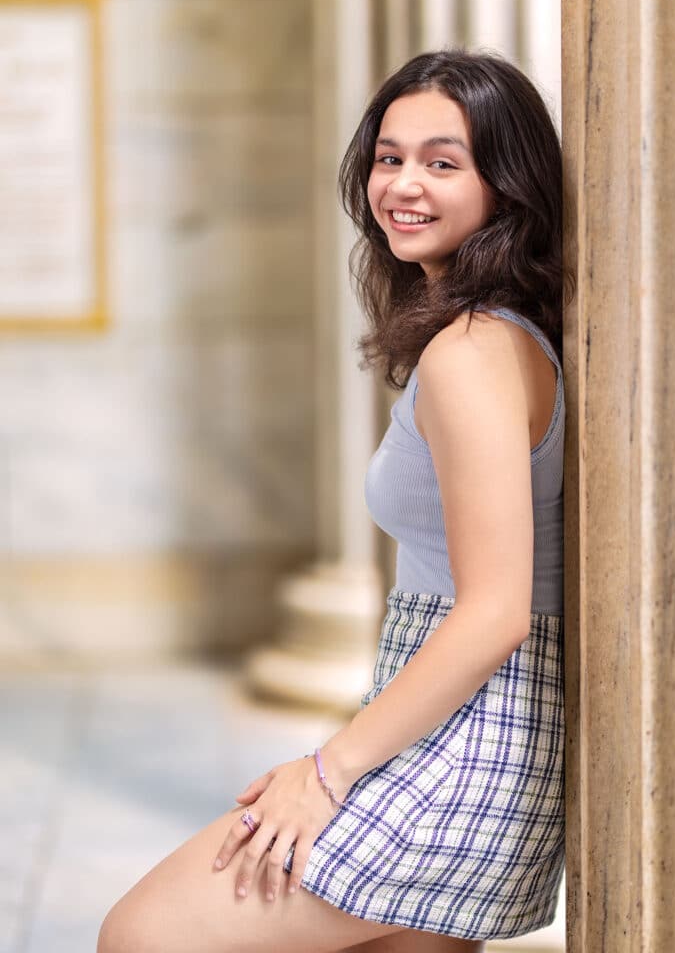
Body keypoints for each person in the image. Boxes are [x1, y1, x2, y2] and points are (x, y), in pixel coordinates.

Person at [98, 47, 573, 953]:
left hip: (473, 745)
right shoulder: (488, 335)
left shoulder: (471, 353)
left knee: (146, 936)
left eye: (443, 162)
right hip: (469, 729)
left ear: (506, 188)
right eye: (389, 157)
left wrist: (326, 768)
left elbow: (494, 614)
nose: (403, 184)